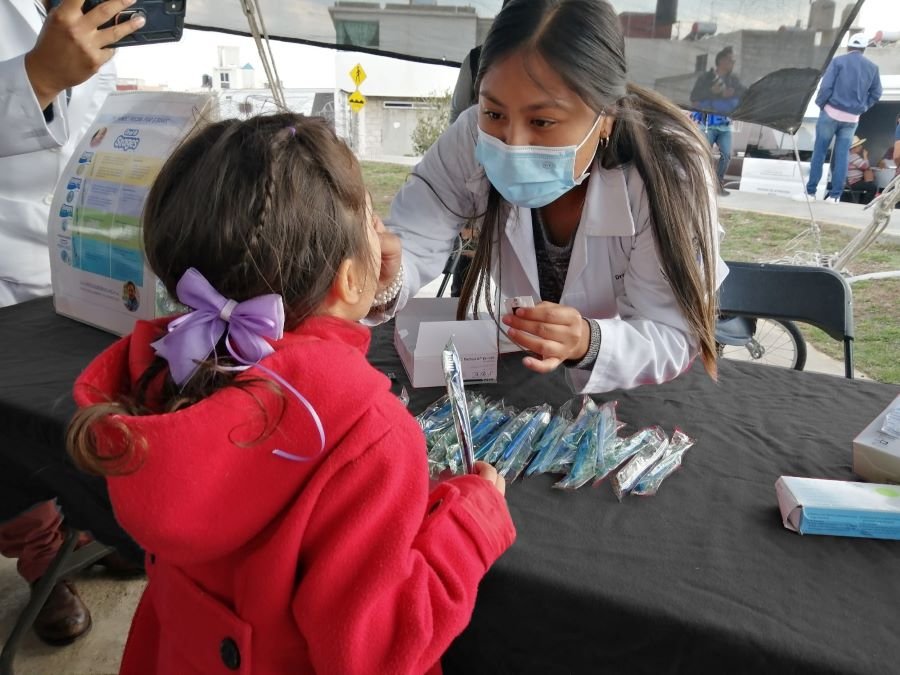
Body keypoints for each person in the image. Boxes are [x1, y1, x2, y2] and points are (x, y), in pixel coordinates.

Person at [67, 113, 515, 674]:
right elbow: (377, 653)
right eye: (374, 222)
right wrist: (471, 523)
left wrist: (351, 298)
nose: (385, 238)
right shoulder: (367, 435)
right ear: (351, 278)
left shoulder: (171, 365)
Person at [375, 0, 727, 395]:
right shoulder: (471, 137)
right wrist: (388, 275)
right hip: (531, 374)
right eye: (494, 113)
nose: (512, 142)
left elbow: (669, 332)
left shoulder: (668, 174)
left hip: (639, 396)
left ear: (606, 115)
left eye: (542, 121)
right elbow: (420, 227)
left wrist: (588, 341)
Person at [0, 0, 144, 646]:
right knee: (12, 430)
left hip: (69, 252)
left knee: (91, 397)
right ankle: (40, 555)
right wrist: (35, 79)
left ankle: (87, 530)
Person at [798, 33, 882, 203]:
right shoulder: (873, 68)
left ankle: (811, 193)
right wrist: (862, 107)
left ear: (849, 47)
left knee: (820, 153)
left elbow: (826, 87)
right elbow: (876, 93)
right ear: (864, 49)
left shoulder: (838, 62)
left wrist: (822, 104)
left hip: (831, 113)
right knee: (843, 156)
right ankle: (835, 196)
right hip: (852, 119)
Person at [690, 45, 747, 196]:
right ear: (721, 60)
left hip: (725, 125)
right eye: (730, 60)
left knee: (726, 155)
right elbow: (694, 99)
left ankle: (717, 184)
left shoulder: (733, 80)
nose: (732, 64)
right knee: (702, 154)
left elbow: (743, 94)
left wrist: (731, 95)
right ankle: (700, 185)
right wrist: (712, 93)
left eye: (734, 61)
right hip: (707, 123)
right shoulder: (706, 78)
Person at [845, 136, 877, 204]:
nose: (861, 147)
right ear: (854, 148)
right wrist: (865, 156)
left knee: (869, 184)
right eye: (859, 145)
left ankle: (861, 203)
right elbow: (865, 166)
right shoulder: (853, 156)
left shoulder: (850, 155)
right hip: (853, 182)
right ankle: (863, 204)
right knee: (873, 188)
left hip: (852, 181)